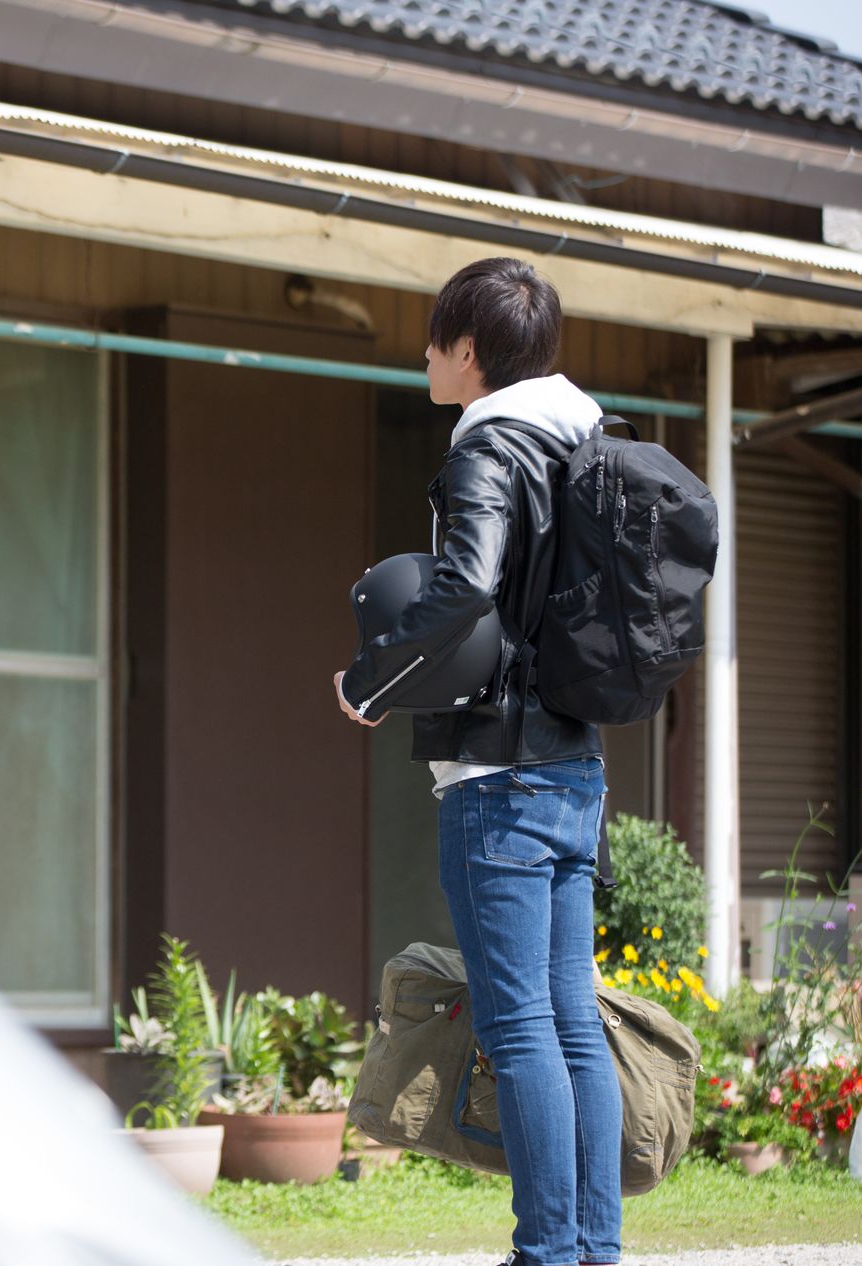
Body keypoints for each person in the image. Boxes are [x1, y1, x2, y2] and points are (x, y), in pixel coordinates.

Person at [333, 257, 619, 1266]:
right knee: (572, 1024)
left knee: (521, 1029)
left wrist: (367, 681)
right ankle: (591, 1249)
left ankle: (546, 1254)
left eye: (433, 338)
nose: (421, 353)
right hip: (576, 765)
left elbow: (462, 589)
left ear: (468, 353)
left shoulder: (488, 444)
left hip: (498, 779)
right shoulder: (587, 439)